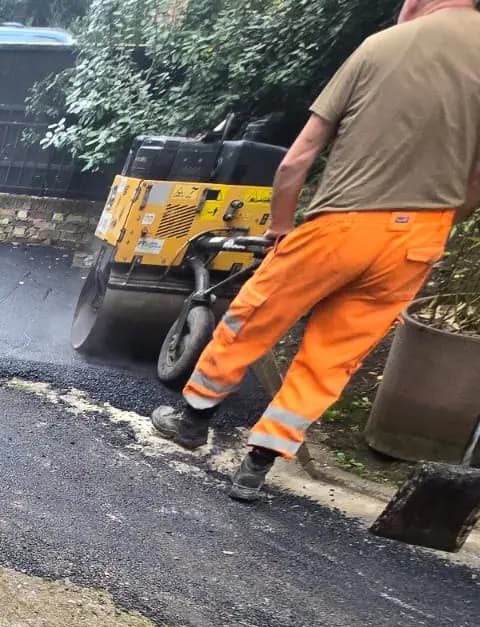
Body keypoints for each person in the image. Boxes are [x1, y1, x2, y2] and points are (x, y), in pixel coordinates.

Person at [151, 0, 480, 500]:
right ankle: (257, 467)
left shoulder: (378, 48)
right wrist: (437, 223)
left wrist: (281, 227)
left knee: (253, 317)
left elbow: (296, 159)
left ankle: (192, 422)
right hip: (418, 241)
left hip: (341, 224)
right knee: (332, 357)